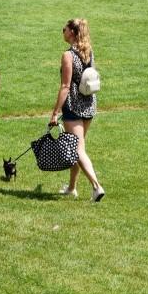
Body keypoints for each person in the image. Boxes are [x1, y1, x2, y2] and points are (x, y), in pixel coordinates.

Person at [50, 18, 104, 202]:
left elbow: (65, 86)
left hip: (73, 105)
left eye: (64, 28)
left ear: (72, 32)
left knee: (78, 149)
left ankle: (96, 187)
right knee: (79, 148)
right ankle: (72, 187)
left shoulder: (68, 55)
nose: (62, 31)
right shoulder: (88, 51)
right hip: (89, 104)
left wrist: (55, 112)